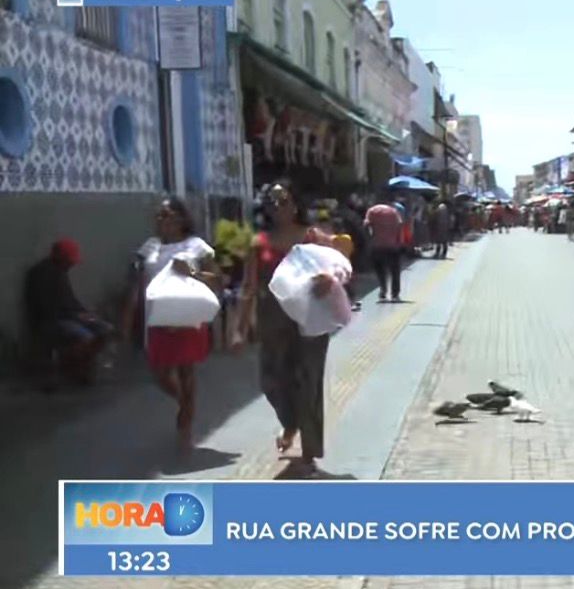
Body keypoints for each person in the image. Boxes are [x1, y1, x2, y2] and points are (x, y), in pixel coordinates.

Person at [231, 183, 345, 478]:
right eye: (273, 201)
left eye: (284, 200)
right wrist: (239, 329)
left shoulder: (315, 237)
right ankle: (291, 421)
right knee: (271, 380)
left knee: (309, 382)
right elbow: (248, 287)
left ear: (295, 204)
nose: (278, 206)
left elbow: (341, 267)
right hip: (273, 318)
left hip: (310, 317)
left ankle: (309, 453)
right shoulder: (260, 242)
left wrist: (330, 279)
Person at [122, 197, 221, 451]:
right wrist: (128, 318)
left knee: (187, 372)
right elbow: (138, 285)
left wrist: (192, 273)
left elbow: (218, 279)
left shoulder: (196, 246)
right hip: (157, 319)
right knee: (160, 373)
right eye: (158, 215)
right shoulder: (150, 247)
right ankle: (184, 403)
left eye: (166, 214)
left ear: (180, 218)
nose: (160, 220)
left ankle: (185, 425)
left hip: (187, 316)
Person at [25, 239, 114, 385]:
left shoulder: (61, 272)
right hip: (53, 321)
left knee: (106, 329)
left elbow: (71, 300)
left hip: (70, 316)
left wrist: (86, 314)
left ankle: (83, 365)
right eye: (69, 260)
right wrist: (77, 316)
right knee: (86, 337)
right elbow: (47, 308)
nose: (71, 264)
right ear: (59, 256)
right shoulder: (40, 273)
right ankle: (72, 366)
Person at [365, 191, 406, 303]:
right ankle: (395, 294)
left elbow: (366, 225)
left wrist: (371, 238)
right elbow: (399, 227)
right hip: (392, 246)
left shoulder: (372, 211)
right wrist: (400, 242)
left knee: (380, 270)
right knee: (395, 271)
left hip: (377, 246)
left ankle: (383, 291)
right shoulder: (393, 212)